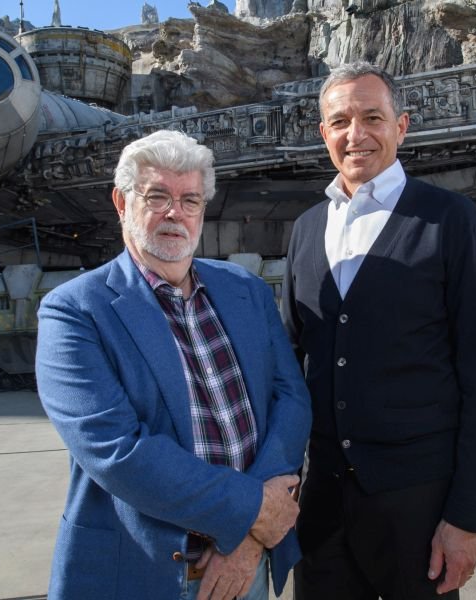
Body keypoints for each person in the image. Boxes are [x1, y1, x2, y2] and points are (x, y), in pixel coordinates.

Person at [36, 130, 312, 600]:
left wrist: (250, 537)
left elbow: (290, 398)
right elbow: (117, 451)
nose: (174, 213)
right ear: (121, 203)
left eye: (190, 200)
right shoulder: (74, 311)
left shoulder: (244, 290)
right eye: (157, 195)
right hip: (142, 573)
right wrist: (253, 512)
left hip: (244, 563)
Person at [282, 62, 476, 599]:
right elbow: (293, 365)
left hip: (418, 508)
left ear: (401, 126)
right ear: (324, 134)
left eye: (372, 117)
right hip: (321, 509)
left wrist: (467, 517)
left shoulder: (450, 220)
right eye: (340, 121)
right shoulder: (306, 228)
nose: (355, 134)